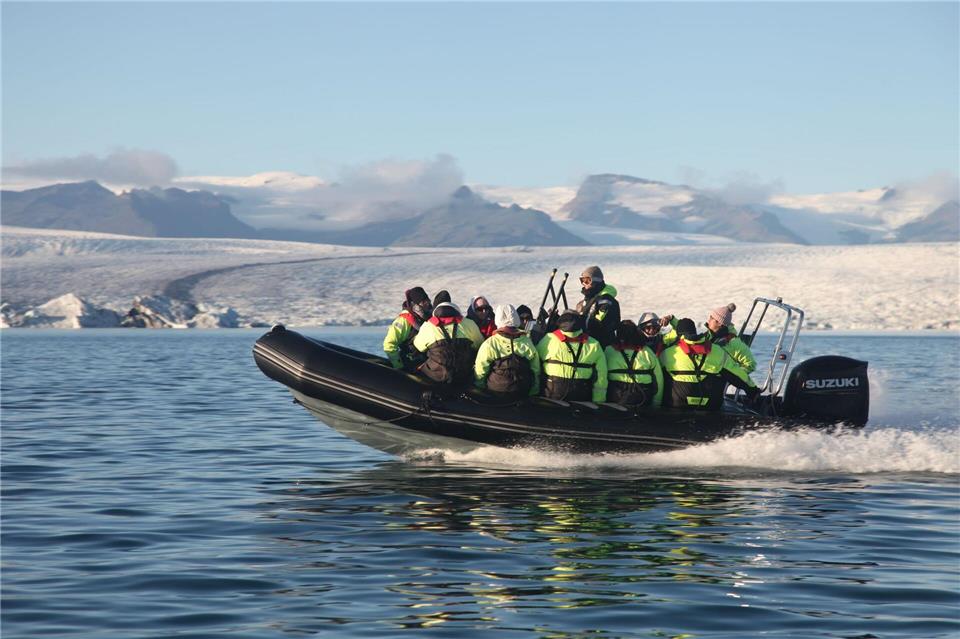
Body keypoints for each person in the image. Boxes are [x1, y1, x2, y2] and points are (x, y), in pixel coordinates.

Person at [659, 318, 759, 410]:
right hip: (711, 405)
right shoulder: (718, 351)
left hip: (677, 405)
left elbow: (657, 378)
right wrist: (753, 391)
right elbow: (737, 374)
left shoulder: (668, 354)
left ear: (678, 335)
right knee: (723, 373)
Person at [537, 308, 607, 403]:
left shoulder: (549, 339)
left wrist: (534, 392)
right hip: (581, 396)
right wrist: (598, 401)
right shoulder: (594, 344)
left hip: (552, 394)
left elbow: (536, 365)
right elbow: (601, 376)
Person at [474, 304, 541, 398]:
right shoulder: (527, 342)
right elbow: (535, 370)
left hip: (495, 391)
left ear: (498, 320)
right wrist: (533, 392)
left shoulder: (490, 343)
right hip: (521, 390)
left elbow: (481, 370)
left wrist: (480, 389)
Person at [413, 302, 484, 385]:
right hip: (463, 375)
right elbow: (479, 345)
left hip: (434, 376)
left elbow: (419, 346)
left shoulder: (428, 326)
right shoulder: (469, 323)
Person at [604, 320, 664, 407]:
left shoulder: (609, 351)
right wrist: (656, 403)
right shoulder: (647, 352)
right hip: (643, 397)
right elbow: (659, 380)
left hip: (616, 397)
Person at [383, 286, 432, 370]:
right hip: (410, 364)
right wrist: (398, 366)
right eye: (423, 302)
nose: (427, 304)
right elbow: (389, 344)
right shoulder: (403, 321)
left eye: (428, 301)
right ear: (415, 305)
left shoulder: (430, 318)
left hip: (426, 365)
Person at [576, 266, 620, 348]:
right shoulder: (585, 301)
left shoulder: (606, 301)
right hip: (586, 345)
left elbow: (597, 324)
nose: (583, 283)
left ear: (596, 281)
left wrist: (579, 322)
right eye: (582, 280)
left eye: (587, 280)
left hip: (601, 345)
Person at [705, 303, 756, 373]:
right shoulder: (707, 336)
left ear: (719, 323)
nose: (708, 320)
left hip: (717, 381)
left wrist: (731, 375)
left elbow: (751, 365)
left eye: (711, 318)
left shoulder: (733, 342)